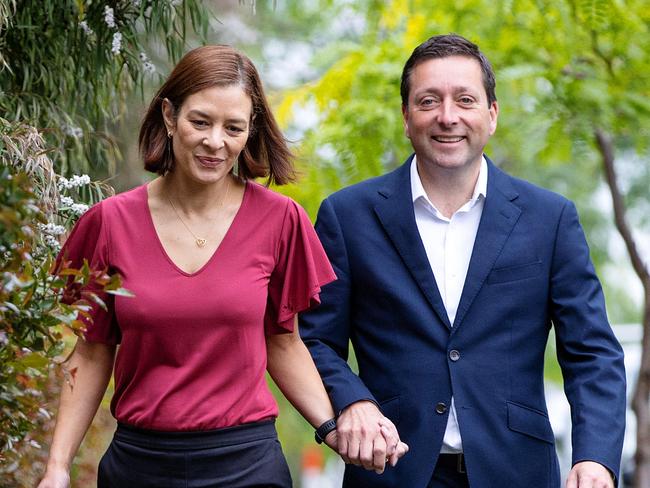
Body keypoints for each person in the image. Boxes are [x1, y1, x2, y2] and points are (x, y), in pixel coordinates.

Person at [38, 45, 406, 488]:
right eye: (201, 122)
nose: (216, 142)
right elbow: (93, 351)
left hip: (247, 466)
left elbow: (284, 345)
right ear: (170, 115)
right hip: (139, 465)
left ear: (250, 131)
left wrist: (338, 427)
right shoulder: (109, 224)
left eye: (234, 127)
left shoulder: (280, 220)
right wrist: (57, 466)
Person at [299, 34, 626, 487]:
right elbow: (312, 340)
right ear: (406, 116)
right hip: (391, 471)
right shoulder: (347, 216)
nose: (447, 116)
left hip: (517, 473)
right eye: (428, 100)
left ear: (491, 115)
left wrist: (595, 458)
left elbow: (591, 353)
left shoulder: (550, 219)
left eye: (465, 100)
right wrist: (353, 401)